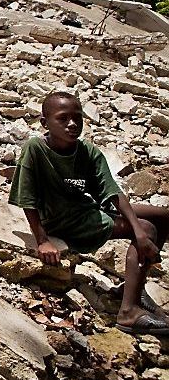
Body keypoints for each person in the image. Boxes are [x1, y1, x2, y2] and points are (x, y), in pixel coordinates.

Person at [9, 91, 169, 335]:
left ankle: (133, 287)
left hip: (84, 210)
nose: (72, 124)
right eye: (63, 119)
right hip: (62, 221)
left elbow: (113, 193)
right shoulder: (35, 149)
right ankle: (128, 312)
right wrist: (42, 240)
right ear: (45, 123)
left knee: (161, 217)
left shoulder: (87, 151)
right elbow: (27, 199)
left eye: (77, 118)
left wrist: (138, 232)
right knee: (147, 229)